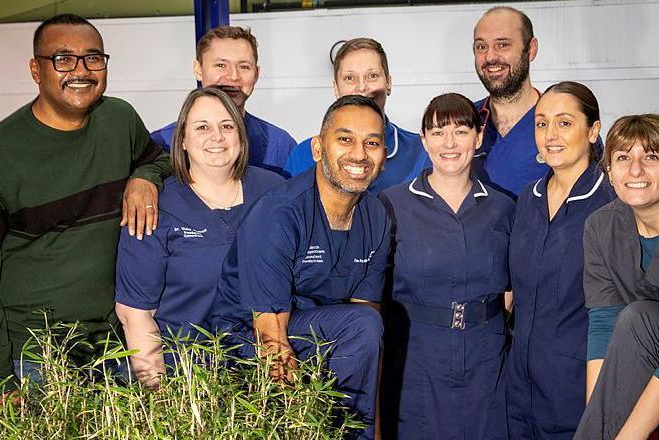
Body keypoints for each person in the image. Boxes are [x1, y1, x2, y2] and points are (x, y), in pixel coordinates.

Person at [0, 14, 170, 386]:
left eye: (93, 58)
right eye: (64, 59)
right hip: (35, 357)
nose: (81, 70)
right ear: (36, 70)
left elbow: (159, 161)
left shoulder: (119, 120)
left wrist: (143, 177)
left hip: (114, 347)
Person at [211, 95, 391, 440]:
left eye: (372, 143)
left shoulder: (376, 216)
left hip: (318, 332)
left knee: (367, 324)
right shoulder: (279, 213)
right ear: (318, 149)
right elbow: (271, 341)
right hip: (246, 338)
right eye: (345, 139)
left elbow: (368, 340)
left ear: (383, 158)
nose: (359, 154)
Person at [114, 88, 283, 387]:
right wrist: (159, 398)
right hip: (186, 375)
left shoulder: (273, 191)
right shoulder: (155, 206)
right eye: (202, 127)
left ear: (241, 136)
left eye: (227, 126)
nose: (216, 136)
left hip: (261, 368)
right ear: (182, 140)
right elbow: (135, 314)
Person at [379, 93, 514, 440]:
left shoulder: (503, 208)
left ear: (479, 136)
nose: (449, 143)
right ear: (424, 140)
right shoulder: (392, 204)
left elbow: (513, 288)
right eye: (438, 132)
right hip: (417, 355)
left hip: (487, 355)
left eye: (460, 131)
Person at [575, 115, 659, 440]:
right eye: (623, 158)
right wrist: (601, 422)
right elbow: (603, 326)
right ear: (609, 170)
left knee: (640, 318)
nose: (635, 170)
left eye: (650, 157)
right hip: (658, 367)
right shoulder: (600, 227)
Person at [505, 82, 614, 439]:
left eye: (564, 123)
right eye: (541, 123)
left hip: (578, 391)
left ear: (593, 130)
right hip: (519, 392)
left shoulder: (611, 204)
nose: (550, 135)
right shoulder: (527, 200)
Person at [283, 38, 429, 193]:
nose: (361, 87)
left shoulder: (421, 152)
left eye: (372, 75)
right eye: (349, 78)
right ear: (336, 88)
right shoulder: (303, 155)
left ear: (389, 83)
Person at [150, 26, 296, 176]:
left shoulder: (281, 145)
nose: (233, 76)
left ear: (256, 74)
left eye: (244, 67)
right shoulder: (160, 144)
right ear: (198, 69)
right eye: (220, 65)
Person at [471, 6, 547, 199]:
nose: (490, 57)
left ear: (531, 49)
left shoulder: (567, 122)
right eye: (481, 47)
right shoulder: (463, 121)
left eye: (502, 45)